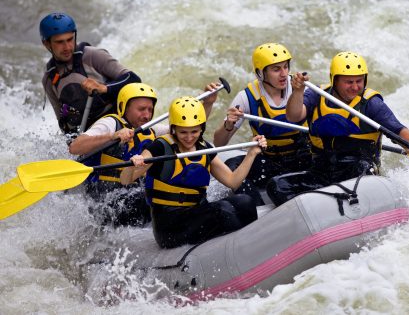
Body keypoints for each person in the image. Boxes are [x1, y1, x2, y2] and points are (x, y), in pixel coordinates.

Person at [267, 51, 409, 205]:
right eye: (349, 82)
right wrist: (297, 91)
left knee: (362, 170)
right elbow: (293, 116)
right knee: (277, 185)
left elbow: (398, 130)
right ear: (334, 80)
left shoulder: (371, 103)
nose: (355, 87)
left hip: (358, 173)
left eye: (359, 81)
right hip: (322, 172)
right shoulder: (317, 94)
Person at [120, 96, 266, 249]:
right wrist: (133, 165)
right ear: (173, 128)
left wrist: (252, 153)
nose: (189, 138)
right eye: (183, 132)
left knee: (245, 202)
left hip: (197, 213)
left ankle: (253, 244)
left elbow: (232, 181)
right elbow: (125, 180)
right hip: (170, 225)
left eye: (194, 131)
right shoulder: (160, 148)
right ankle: (244, 248)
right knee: (223, 211)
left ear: (202, 128)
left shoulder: (204, 148)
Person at [69, 82, 220, 227]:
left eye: (150, 109)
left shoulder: (150, 129)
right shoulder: (110, 123)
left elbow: (187, 130)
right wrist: (112, 136)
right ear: (124, 107)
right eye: (141, 109)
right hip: (105, 198)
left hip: (131, 191)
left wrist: (207, 103)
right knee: (153, 199)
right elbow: (75, 147)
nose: (147, 115)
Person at [212, 43, 311, 205]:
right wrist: (229, 124)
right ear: (260, 73)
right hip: (270, 161)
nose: (284, 74)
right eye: (276, 69)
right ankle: (257, 208)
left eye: (286, 67)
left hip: (303, 159)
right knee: (231, 166)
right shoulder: (246, 97)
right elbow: (218, 143)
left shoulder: (301, 90)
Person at [40, 12, 141, 136]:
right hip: (91, 139)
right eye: (60, 42)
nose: (67, 47)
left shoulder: (93, 55)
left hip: (119, 126)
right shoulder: (49, 79)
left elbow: (133, 79)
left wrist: (104, 88)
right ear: (47, 44)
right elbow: (64, 127)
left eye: (70, 39)